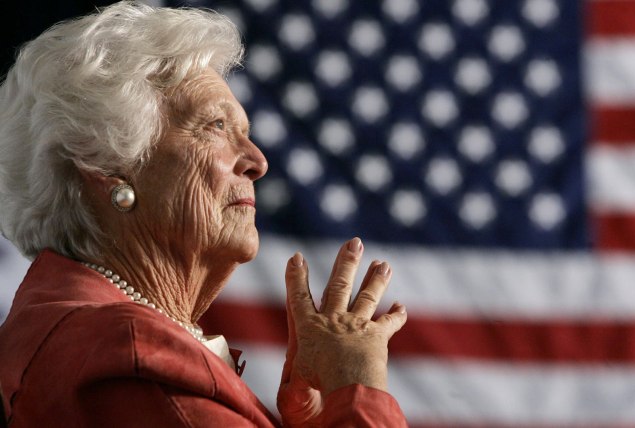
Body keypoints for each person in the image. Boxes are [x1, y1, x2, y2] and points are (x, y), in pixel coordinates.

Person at [0, 2, 408, 426]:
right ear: (106, 164)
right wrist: (358, 388)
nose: (257, 161)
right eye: (215, 126)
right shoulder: (132, 355)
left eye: (245, 135)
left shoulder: (97, 340)